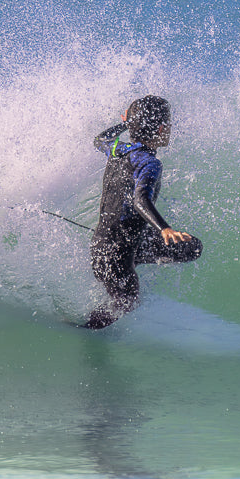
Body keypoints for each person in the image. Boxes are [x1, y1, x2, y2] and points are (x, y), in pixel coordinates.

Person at [86, 95, 202, 329]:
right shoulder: (149, 163)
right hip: (116, 255)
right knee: (126, 302)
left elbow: (100, 139)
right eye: (169, 124)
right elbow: (141, 200)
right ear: (161, 129)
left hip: (105, 246)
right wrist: (164, 228)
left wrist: (126, 124)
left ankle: (136, 257)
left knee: (192, 247)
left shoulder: (118, 149)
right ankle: (85, 329)